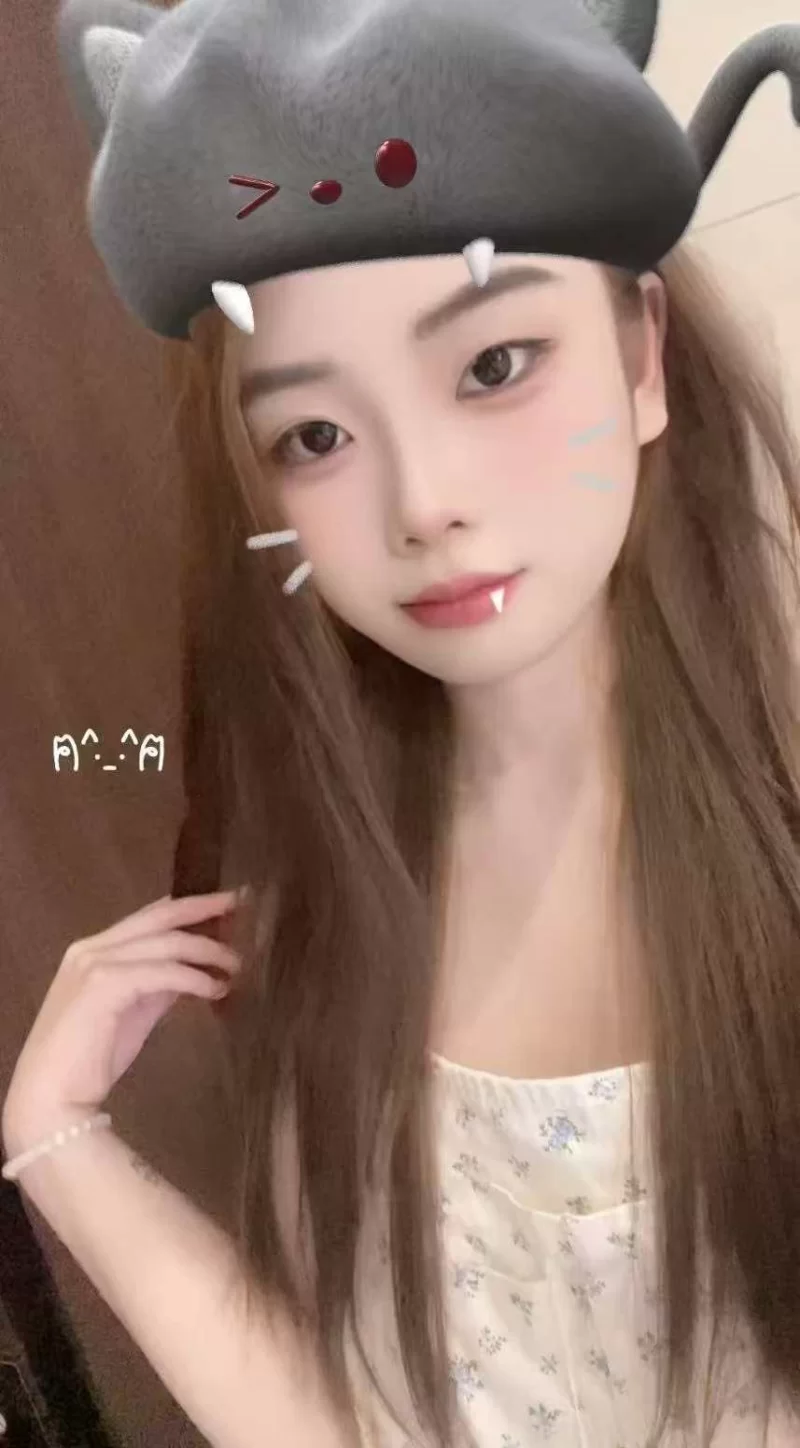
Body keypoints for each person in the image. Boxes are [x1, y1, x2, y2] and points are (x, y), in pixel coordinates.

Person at [3, 0, 800, 1444]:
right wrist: (58, 1140)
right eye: (314, 435)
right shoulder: (333, 906)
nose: (421, 502)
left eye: (494, 364)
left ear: (642, 355)